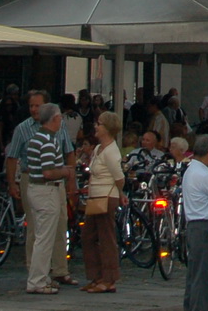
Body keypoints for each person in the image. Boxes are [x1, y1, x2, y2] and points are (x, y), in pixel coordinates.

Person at [5, 90, 76, 291]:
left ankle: (58, 269)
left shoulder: (53, 135)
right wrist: (65, 172)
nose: (34, 109)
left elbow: (68, 152)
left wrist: (70, 182)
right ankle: (37, 275)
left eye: (38, 105)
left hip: (48, 184)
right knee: (39, 231)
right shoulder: (30, 132)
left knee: (59, 225)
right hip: (39, 182)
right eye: (32, 106)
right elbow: (46, 170)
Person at [177, 134, 208, 311]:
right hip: (205, 227)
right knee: (203, 277)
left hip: (194, 225)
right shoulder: (204, 175)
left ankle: (191, 307)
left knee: (195, 274)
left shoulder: (191, 171)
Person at [81, 111, 125, 295]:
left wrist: (120, 193)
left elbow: (119, 177)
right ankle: (96, 276)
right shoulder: (99, 149)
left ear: (107, 128)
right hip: (94, 197)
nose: (96, 126)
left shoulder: (111, 152)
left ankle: (109, 279)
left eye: (99, 124)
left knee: (106, 238)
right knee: (88, 237)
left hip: (106, 198)